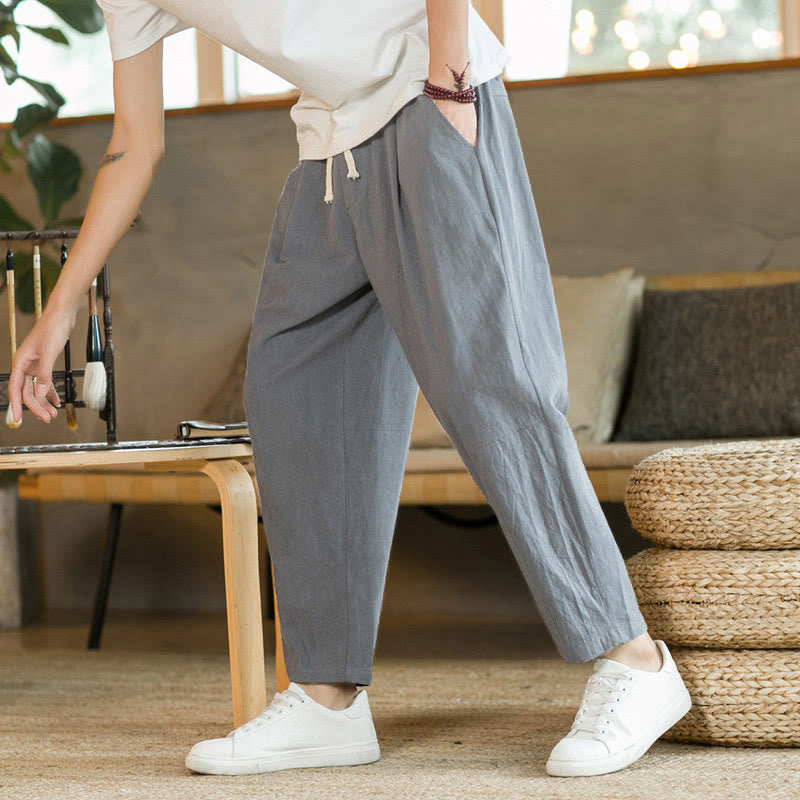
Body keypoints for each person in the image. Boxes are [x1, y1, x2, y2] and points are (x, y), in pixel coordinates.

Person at [6, 0, 692, 779]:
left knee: (491, 384)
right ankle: (329, 699)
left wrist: (452, 82)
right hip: (329, 150)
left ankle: (634, 660)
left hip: (427, 101)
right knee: (296, 394)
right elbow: (134, 146)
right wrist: (58, 310)